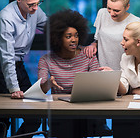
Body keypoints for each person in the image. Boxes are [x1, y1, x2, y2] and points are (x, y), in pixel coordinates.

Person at [0, 0, 47, 135]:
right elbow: (7, 56)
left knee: (34, 117)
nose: (35, 8)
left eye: (38, 3)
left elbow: (49, 26)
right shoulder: (6, 18)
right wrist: (14, 88)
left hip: (19, 66)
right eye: (31, 5)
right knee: (2, 119)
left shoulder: (35, 10)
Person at [38, 9, 104, 138]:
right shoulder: (46, 60)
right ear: (57, 38)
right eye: (68, 36)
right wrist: (49, 84)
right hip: (60, 114)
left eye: (76, 35)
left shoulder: (88, 55)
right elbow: (40, 90)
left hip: (86, 111)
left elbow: (98, 83)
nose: (74, 40)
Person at [84, 0, 140, 70]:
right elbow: (99, 38)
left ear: (127, 7)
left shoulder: (135, 21)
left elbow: (139, 51)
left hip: (126, 72)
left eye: (116, 10)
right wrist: (93, 45)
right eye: (109, 8)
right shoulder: (102, 13)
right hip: (103, 70)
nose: (111, 13)